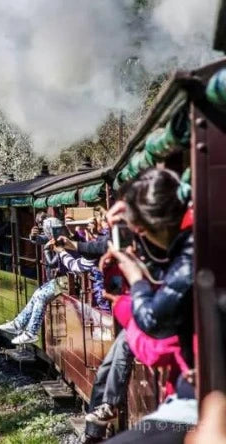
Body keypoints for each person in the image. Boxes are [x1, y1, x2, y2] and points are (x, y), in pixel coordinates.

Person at [102, 168, 195, 443]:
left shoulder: (192, 252)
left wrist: (136, 281)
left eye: (139, 231)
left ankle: (103, 406)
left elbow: (154, 323)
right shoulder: (191, 240)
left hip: (199, 395)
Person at [0, 214, 65, 344]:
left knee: (41, 296)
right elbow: (39, 239)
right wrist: (33, 237)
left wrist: (46, 250)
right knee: (38, 293)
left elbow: (51, 262)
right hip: (62, 280)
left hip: (66, 281)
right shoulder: (58, 238)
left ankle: (31, 332)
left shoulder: (64, 242)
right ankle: (18, 324)